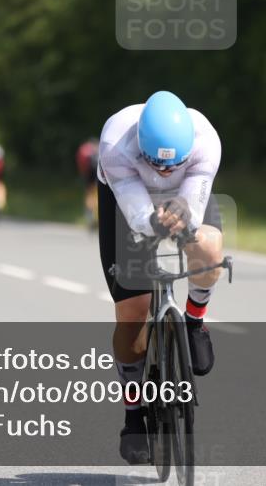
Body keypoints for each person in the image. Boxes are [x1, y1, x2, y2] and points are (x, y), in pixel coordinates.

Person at [97, 90, 223, 465]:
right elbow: (136, 213)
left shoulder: (206, 142)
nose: (166, 171)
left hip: (185, 197)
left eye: (174, 164)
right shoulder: (116, 144)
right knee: (133, 314)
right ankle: (133, 411)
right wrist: (151, 220)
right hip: (127, 198)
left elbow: (194, 208)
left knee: (209, 249)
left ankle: (195, 321)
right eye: (158, 164)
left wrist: (183, 212)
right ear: (141, 147)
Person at [76, 138, 100, 227]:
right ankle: (96, 217)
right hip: (96, 170)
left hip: (88, 172)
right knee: (96, 193)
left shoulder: (85, 150)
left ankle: (90, 216)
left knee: (89, 193)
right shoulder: (97, 148)